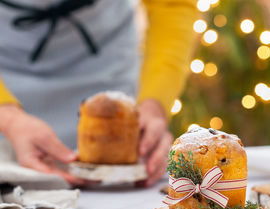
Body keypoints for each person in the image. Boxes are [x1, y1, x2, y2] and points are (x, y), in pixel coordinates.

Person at [0, 0, 197, 187]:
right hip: (8, 68)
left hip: (107, 61)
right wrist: (8, 119)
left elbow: (173, 5)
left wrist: (155, 104)